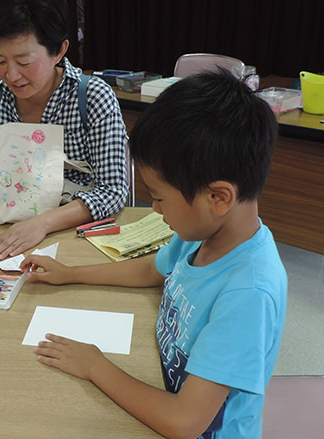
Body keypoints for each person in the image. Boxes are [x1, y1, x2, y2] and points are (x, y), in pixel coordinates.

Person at [20, 70, 287, 439]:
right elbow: (152, 269)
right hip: (159, 383)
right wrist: (70, 273)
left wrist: (96, 365)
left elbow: (184, 422)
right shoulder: (202, 233)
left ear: (218, 197)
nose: (156, 211)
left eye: (158, 197)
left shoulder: (247, 294)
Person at [0, 0, 129, 260]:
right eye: (0, 60)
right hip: (2, 232)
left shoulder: (92, 97)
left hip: (74, 235)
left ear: (59, 51)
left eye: (23, 62)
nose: (11, 75)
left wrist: (42, 223)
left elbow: (112, 191)